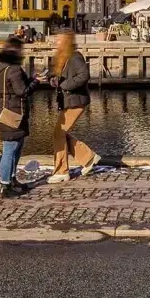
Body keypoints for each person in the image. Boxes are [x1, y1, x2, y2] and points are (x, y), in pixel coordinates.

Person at [48, 32, 101, 184]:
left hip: (76, 100)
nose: (56, 42)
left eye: (59, 39)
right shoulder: (62, 58)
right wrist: (53, 80)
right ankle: (89, 158)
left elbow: (84, 75)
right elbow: (61, 77)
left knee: (59, 133)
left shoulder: (75, 56)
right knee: (60, 133)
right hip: (68, 100)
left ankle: (61, 171)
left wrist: (65, 85)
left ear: (66, 41)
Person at [0, 36, 36, 198]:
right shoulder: (13, 68)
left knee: (15, 147)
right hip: (14, 111)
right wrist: (35, 82)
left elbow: (13, 86)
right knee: (10, 149)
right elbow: (21, 91)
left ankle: (11, 179)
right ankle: (5, 185)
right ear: (16, 50)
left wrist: (30, 80)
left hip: (3, 110)